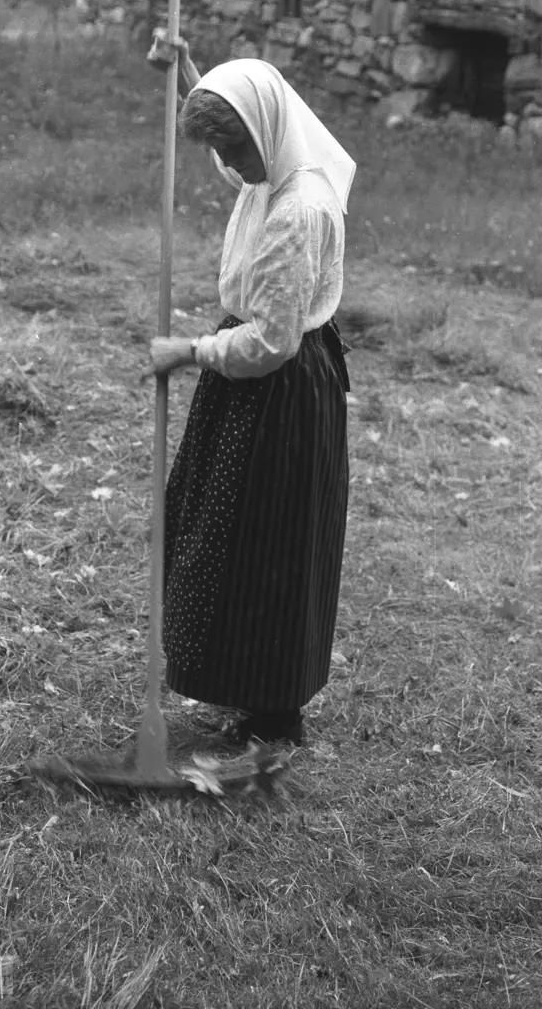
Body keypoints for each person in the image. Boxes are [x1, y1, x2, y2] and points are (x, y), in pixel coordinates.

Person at [146, 37, 355, 746]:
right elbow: (238, 143)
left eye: (237, 151)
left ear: (263, 132)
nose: (231, 168)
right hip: (255, 388)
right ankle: (248, 688)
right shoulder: (276, 160)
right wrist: (188, 77)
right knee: (224, 534)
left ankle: (274, 711)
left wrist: (189, 351)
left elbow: (269, 342)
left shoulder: (301, 211)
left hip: (278, 393)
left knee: (267, 542)